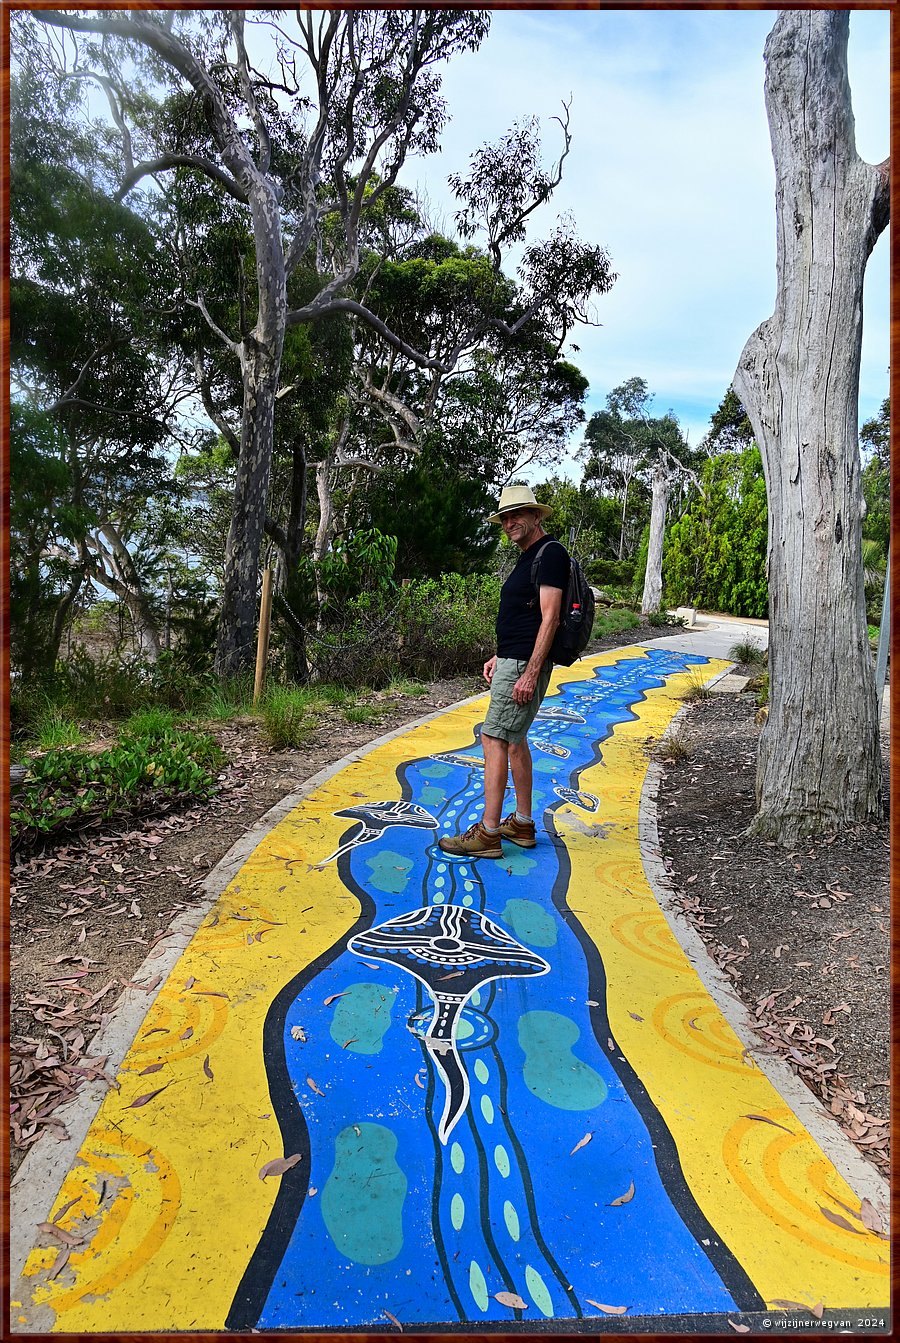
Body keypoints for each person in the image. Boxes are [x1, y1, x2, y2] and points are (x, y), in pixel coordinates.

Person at [438, 484, 569, 859]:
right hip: (513, 660)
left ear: (535, 516)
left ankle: (489, 833)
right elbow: (523, 617)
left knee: (493, 738)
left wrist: (529, 672)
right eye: (505, 517)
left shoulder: (551, 554)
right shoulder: (529, 556)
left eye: (517, 515)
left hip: (525, 665)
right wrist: (501, 655)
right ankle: (523, 825)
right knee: (514, 740)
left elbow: (550, 618)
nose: (510, 523)